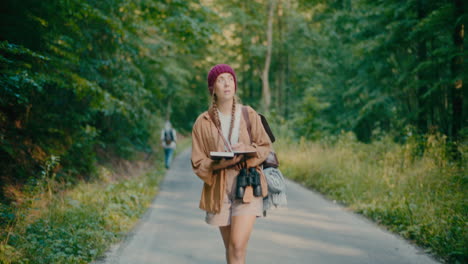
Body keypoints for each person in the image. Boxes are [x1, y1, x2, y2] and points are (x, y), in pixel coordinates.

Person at [191, 64, 271, 264]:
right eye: (221, 79)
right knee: (231, 250)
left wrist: (245, 151)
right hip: (219, 187)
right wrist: (218, 164)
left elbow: (264, 146)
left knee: (236, 247)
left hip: (247, 184)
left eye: (230, 78)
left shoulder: (248, 113)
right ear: (212, 89)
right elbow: (198, 162)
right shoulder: (203, 121)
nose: (227, 83)